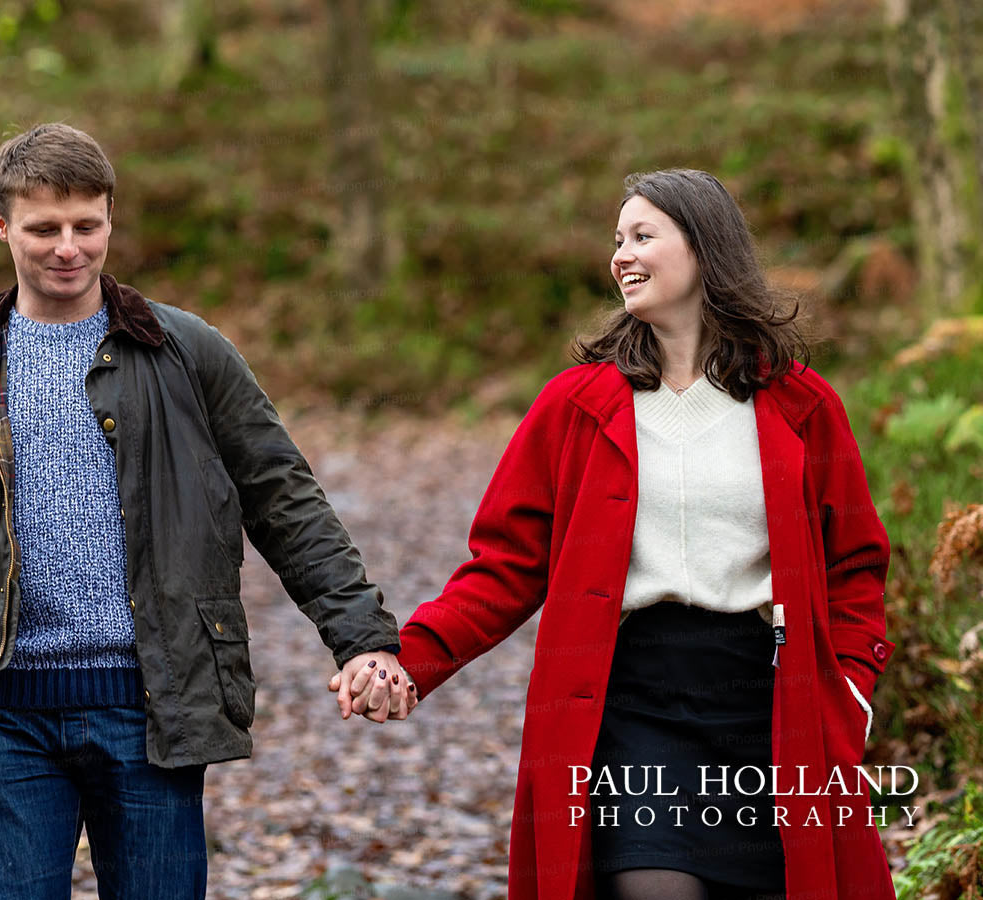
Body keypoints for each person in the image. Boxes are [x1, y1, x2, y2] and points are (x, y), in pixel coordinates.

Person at [0, 122, 413, 900]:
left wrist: (361, 638)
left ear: (111, 218)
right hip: (0, 709)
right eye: (44, 228)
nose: (68, 247)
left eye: (88, 225)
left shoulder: (186, 350)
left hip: (151, 705)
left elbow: (284, 497)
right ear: (2, 225)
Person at [334, 169, 895, 900]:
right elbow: (504, 565)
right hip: (631, 705)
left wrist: (848, 692)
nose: (620, 255)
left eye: (642, 236)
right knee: (649, 886)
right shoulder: (576, 405)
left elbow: (856, 563)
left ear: (703, 248)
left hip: (768, 706)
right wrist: (412, 660)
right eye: (616, 240)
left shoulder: (801, 404)